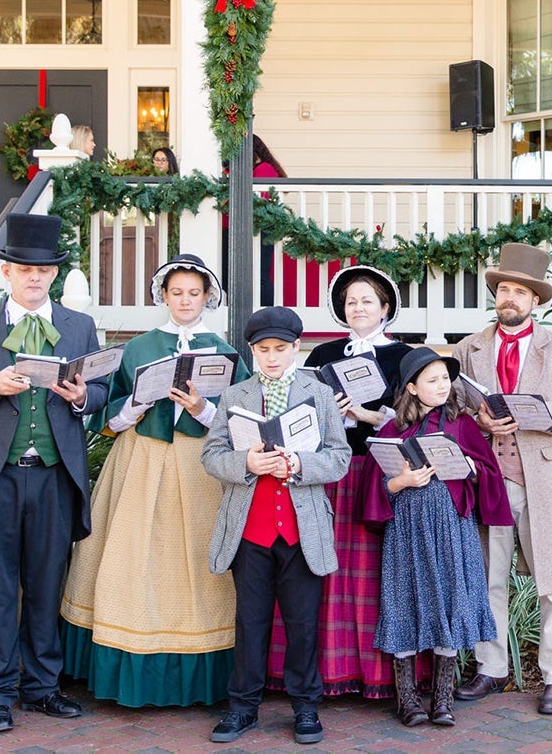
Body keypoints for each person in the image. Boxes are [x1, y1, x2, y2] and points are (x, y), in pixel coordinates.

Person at [0, 212, 109, 734]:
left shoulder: (78, 326)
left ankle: (41, 687)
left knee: (45, 585)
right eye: (23, 268)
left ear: (54, 275)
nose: (35, 277)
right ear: (6, 272)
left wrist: (84, 397)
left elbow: (103, 391)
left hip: (54, 476)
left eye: (44, 270)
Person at [60, 254, 249, 706]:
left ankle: (203, 664)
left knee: (198, 560)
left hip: (200, 467)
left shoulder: (223, 351)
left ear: (208, 297)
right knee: (131, 556)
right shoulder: (139, 347)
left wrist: (202, 409)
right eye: (176, 292)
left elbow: (243, 420)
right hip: (141, 460)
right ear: (163, 295)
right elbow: (106, 412)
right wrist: (134, 407)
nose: (185, 300)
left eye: (194, 293)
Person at [452, 243, 552, 716]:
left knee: (551, 581)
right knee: (489, 579)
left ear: (536, 300)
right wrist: (481, 420)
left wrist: (535, 414)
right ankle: (491, 667)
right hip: (490, 478)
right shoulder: (468, 348)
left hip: (542, 479)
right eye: (504, 290)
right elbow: (454, 410)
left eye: (520, 291)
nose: (509, 298)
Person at [202, 307, 350, 746]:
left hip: (302, 531)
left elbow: (340, 457)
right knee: (250, 621)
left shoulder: (319, 394)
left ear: (296, 349)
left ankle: (306, 708)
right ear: (252, 351)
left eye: (280, 349)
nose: (271, 357)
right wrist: (244, 462)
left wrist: (301, 462)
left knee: (303, 623)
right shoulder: (235, 396)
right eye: (263, 350)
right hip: (250, 529)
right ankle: (243, 708)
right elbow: (210, 455)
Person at [360, 347, 511, 727]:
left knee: (451, 602)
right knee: (404, 602)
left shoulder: (462, 425)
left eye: (446, 378)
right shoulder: (392, 431)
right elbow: (374, 488)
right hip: (407, 532)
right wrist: (401, 481)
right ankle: (407, 700)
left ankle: (442, 700)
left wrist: (471, 467)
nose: (442, 385)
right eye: (433, 379)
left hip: (451, 530)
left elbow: (489, 475)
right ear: (412, 387)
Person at [298, 266, 411, 700]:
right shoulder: (324, 353)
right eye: (351, 302)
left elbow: (412, 418)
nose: (358, 307)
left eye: (367, 300)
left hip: (378, 471)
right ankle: (330, 668)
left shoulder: (403, 357)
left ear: (385, 308)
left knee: (375, 573)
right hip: (331, 472)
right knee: (326, 568)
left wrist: (364, 415)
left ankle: (381, 675)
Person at [251, 135, 286, 305]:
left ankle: (266, 312)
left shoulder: (264, 169)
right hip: (256, 228)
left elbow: (260, 200)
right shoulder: (258, 168)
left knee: (261, 275)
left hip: (263, 228)